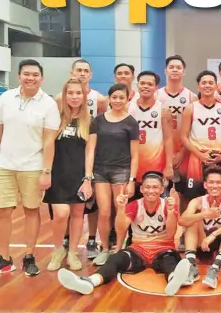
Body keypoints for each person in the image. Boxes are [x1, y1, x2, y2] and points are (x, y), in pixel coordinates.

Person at [0, 59, 60, 277]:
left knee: (31, 211)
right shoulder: (6, 98)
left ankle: (29, 256)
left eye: (35, 75)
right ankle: (4, 259)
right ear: (19, 76)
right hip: (5, 164)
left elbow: (49, 141)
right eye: (26, 74)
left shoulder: (49, 104)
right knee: (2, 212)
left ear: (41, 78)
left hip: (33, 167)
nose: (30, 78)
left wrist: (46, 171)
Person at [56, 172, 189, 296]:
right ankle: (90, 282)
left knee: (171, 260)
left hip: (163, 248)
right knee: (115, 259)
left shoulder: (168, 205)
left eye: (155, 187)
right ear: (141, 189)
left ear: (161, 190)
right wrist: (120, 209)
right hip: (139, 249)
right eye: (147, 187)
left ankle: (173, 279)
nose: (151, 190)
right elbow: (121, 229)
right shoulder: (135, 205)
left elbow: (171, 234)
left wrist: (171, 212)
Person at [54, 59, 106, 259]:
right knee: (62, 211)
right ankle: (64, 243)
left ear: (90, 75)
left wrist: (88, 174)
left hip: (88, 155)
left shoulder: (99, 99)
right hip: (63, 160)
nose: (82, 74)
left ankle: (90, 240)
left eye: (86, 71)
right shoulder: (59, 99)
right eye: (79, 70)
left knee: (88, 206)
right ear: (72, 72)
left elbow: (99, 124)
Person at [44, 78, 95, 272]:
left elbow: (90, 151)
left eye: (78, 93)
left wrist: (88, 179)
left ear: (84, 96)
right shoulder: (55, 118)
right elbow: (48, 146)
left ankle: (72, 252)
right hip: (57, 175)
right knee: (61, 214)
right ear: (64, 96)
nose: (74, 97)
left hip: (79, 176)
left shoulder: (89, 121)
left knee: (77, 215)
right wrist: (46, 172)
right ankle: (58, 250)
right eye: (70, 93)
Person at [86, 83, 140, 266]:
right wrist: (88, 174)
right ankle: (105, 248)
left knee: (120, 211)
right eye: (114, 97)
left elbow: (135, 155)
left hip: (122, 172)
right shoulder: (98, 121)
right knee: (104, 212)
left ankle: (118, 248)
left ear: (127, 99)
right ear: (109, 98)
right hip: (100, 171)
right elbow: (91, 149)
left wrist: (132, 179)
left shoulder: (131, 122)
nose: (117, 101)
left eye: (121, 98)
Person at [177, 166, 221, 289]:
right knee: (192, 220)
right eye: (211, 182)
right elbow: (182, 220)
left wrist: (214, 235)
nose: (214, 186)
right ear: (205, 185)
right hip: (203, 245)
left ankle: (215, 267)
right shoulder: (197, 201)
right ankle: (191, 265)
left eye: (218, 182)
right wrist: (204, 214)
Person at [180, 70, 221, 205]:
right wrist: (200, 155)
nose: (207, 85)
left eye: (211, 83)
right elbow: (184, 137)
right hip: (197, 157)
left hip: (218, 156)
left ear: (216, 86)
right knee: (192, 196)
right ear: (198, 87)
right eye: (204, 83)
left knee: (219, 195)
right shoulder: (191, 108)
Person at [157, 55, 197, 191]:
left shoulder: (192, 97)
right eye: (171, 67)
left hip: (184, 153)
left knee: (184, 193)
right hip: (161, 153)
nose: (175, 70)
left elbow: (194, 129)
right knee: (160, 193)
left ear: (184, 72)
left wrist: (183, 152)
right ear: (165, 71)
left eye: (178, 68)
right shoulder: (156, 96)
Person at [129, 71, 174, 183]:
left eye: (150, 84)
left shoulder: (163, 109)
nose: (145, 86)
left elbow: (168, 139)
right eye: (142, 83)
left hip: (155, 164)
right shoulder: (128, 107)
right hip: (131, 165)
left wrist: (169, 165)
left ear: (156, 87)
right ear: (137, 85)